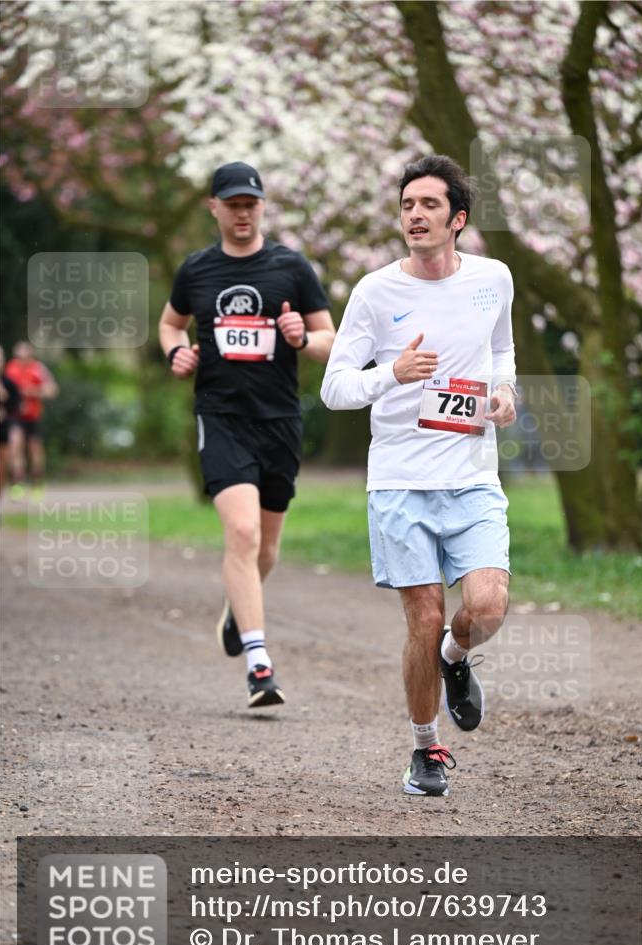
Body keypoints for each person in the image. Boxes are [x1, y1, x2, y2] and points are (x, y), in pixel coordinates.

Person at [321, 154, 517, 797]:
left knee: (485, 607)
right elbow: (334, 388)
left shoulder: (493, 278)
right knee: (424, 620)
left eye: (429, 205)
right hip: (401, 480)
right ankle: (425, 749)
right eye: (407, 205)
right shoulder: (376, 292)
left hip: (471, 475)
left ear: (457, 219)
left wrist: (506, 391)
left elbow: (500, 348)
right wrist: (391, 376)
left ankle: (456, 661)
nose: (415, 215)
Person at [159, 161, 335, 708]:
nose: (242, 212)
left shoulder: (291, 267)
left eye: (250, 204)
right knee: (242, 535)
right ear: (214, 207)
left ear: (262, 206)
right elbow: (170, 322)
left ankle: (241, 607)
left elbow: (332, 339)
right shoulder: (196, 271)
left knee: (266, 548)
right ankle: (260, 667)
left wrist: (302, 336)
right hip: (221, 416)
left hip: (279, 420)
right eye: (232, 204)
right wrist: (175, 351)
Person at [5, 340, 58, 499]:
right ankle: (17, 482)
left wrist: (33, 392)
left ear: (31, 355)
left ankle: (36, 483)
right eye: (19, 356)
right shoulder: (10, 368)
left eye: (25, 356)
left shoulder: (38, 368)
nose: (21, 359)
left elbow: (52, 390)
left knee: (35, 450)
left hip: (33, 417)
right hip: (15, 416)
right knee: (16, 445)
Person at [0, 344, 21, 512]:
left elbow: (15, 405)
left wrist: (2, 394)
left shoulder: (9, 384)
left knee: (3, 467)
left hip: (3, 428)